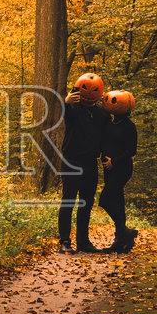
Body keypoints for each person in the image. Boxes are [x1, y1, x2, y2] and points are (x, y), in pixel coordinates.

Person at [58, 73, 110, 253]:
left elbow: (105, 138)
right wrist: (66, 102)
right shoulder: (73, 110)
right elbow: (65, 115)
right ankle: (64, 241)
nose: (88, 96)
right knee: (68, 201)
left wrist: (107, 156)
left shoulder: (102, 114)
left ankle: (83, 241)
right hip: (71, 160)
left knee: (86, 203)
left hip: (90, 162)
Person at [100, 90, 138, 253]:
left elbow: (132, 150)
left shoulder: (129, 126)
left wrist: (114, 162)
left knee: (105, 200)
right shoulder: (109, 122)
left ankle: (124, 231)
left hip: (122, 169)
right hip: (108, 169)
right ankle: (121, 241)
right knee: (118, 202)